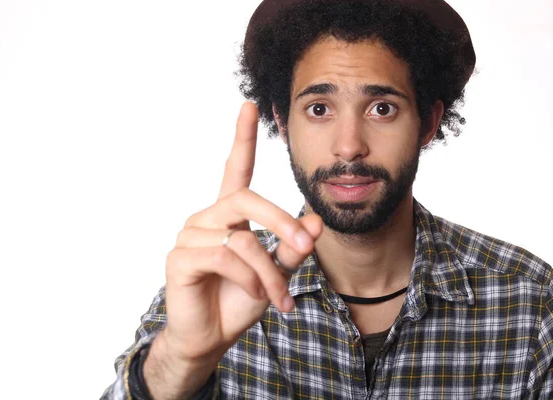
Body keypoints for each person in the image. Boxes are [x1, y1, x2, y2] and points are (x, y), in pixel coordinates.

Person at [101, 0, 552, 398]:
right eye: (319, 109)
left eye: (382, 108)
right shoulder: (215, 286)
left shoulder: (530, 300)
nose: (349, 146)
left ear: (427, 123)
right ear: (282, 119)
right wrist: (180, 360)